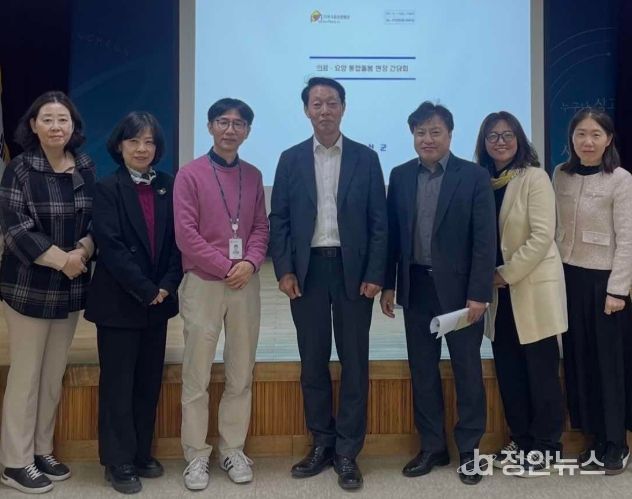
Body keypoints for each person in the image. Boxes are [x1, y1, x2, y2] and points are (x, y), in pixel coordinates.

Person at [269, 77, 387, 491]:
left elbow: (379, 222)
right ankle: (321, 441)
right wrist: (284, 269)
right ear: (306, 110)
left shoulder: (365, 158)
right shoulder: (290, 159)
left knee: (355, 361)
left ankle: (348, 451)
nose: (324, 110)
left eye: (331, 102)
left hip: (353, 272)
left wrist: (375, 273)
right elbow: (279, 220)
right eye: (317, 103)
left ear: (343, 108)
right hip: (308, 272)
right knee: (313, 359)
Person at [380, 102, 495, 485]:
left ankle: (469, 450)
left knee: (467, 371)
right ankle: (432, 446)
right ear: (412, 136)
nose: (427, 139)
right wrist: (389, 284)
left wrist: (479, 293)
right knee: (423, 371)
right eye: (420, 133)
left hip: (461, 293)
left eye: (435, 132)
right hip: (417, 287)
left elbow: (485, 241)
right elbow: (393, 237)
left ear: (449, 134)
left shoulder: (474, 176)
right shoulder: (400, 175)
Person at [0, 91, 95, 494]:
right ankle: (14, 462)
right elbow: (16, 229)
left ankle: (41, 450)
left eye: (63, 120)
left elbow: (97, 218)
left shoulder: (84, 165)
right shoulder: (20, 168)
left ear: (73, 126)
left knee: (53, 374)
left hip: (69, 289)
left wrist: (84, 251)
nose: (56, 127)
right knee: (26, 376)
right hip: (28, 287)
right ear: (33, 125)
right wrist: (63, 260)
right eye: (48, 119)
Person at [83, 112, 183, 494]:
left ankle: (141, 452)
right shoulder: (107, 188)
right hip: (120, 302)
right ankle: (118, 460)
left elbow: (178, 241)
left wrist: (167, 285)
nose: (142, 149)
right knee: (118, 385)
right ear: (119, 145)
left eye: (149, 142)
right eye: (134, 141)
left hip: (158, 301)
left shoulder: (169, 185)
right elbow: (110, 246)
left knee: (147, 382)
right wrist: (145, 288)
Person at [174, 98, 268, 490]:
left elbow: (260, 227)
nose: (231, 129)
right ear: (210, 126)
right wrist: (225, 266)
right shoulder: (189, 174)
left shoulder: (254, 175)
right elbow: (186, 234)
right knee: (196, 372)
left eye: (239, 123)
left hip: (244, 282)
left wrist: (250, 262)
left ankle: (233, 449)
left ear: (247, 131)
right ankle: (196, 455)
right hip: (204, 283)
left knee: (241, 370)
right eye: (223, 122)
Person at [474, 111, 567, 475]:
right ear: (484, 142)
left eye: (507, 135)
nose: (500, 142)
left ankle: (547, 444)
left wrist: (505, 274)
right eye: (493, 136)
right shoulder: (482, 181)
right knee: (510, 371)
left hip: (530, 287)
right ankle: (522, 439)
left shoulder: (534, 177)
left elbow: (542, 236)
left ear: (520, 139)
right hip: (499, 295)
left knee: (541, 372)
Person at [553, 108, 632, 475]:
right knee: (580, 361)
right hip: (568, 278)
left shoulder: (620, 179)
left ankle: (616, 444)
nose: (587, 141)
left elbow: (628, 239)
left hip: (605, 284)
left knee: (608, 366)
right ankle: (595, 439)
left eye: (596, 134)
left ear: (608, 139)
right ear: (572, 138)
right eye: (581, 134)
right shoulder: (561, 174)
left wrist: (618, 290)